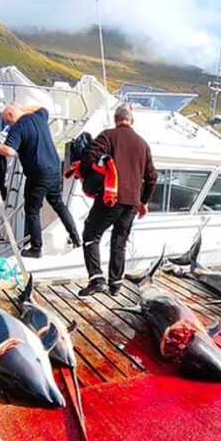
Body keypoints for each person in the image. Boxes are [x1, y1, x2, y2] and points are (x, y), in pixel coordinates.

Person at [0, 103, 81, 258]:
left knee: (32, 210)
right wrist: (21, 110)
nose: (9, 125)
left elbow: (9, 151)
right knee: (58, 204)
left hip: (38, 174)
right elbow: (42, 107)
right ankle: (76, 238)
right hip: (54, 169)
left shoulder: (18, 128)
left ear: (11, 117)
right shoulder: (39, 117)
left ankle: (36, 248)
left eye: (8, 122)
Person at [78, 105, 157, 297]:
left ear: (116, 119)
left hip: (111, 198)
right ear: (131, 121)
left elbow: (90, 156)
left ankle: (96, 279)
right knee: (119, 241)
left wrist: (99, 170)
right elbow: (152, 177)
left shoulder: (108, 136)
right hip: (132, 202)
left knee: (91, 235)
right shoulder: (143, 144)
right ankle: (115, 284)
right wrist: (143, 201)